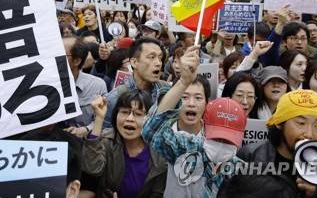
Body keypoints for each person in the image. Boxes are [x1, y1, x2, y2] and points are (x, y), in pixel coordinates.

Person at [143, 45, 248, 197]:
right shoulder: (184, 146)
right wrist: (183, 82)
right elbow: (150, 130)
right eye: (185, 97)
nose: (191, 103)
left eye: (228, 140)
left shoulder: (238, 168)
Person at [217, 89, 317, 198]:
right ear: (279, 123)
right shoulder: (250, 155)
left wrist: (316, 195)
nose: (309, 134)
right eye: (301, 123)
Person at [82, 92, 167, 197]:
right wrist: (99, 118)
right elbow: (92, 168)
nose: (130, 119)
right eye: (124, 112)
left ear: (149, 119)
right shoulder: (106, 140)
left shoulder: (159, 151)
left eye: (138, 114)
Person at [103, 37, 169, 128]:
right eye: (152, 57)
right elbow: (105, 134)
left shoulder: (166, 91)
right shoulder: (115, 98)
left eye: (160, 58)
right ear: (134, 62)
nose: (158, 63)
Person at [62, 37, 107, 138]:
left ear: (77, 61)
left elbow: (104, 121)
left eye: (61, 55)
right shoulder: (43, 86)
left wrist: (86, 129)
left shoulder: (97, 85)